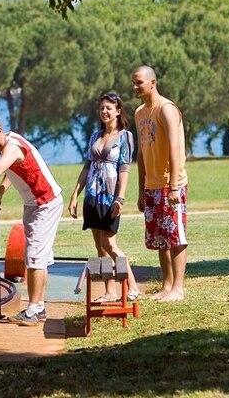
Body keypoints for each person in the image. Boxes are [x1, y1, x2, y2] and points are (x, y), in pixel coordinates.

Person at [0, 115, 64, 326]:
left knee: (35, 258)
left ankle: (32, 311)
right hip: (34, 204)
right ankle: (38, 308)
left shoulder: (12, 147)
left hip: (45, 203)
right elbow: (11, 170)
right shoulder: (9, 143)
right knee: (38, 257)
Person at [68, 92, 141, 302]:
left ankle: (133, 286)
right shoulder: (94, 137)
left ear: (118, 111)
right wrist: (75, 195)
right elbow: (87, 166)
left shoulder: (125, 136)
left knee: (109, 243)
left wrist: (120, 198)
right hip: (92, 196)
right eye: (101, 108)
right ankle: (110, 291)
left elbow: (124, 168)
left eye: (109, 108)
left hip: (110, 197)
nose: (104, 112)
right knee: (100, 247)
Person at [132, 65, 188, 302]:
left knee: (175, 235)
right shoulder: (139, 113)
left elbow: (175, 147)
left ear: (152, 82)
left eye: (139, 82)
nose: (135, 87)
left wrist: (174, 186)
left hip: (170, 184)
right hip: (152, 186)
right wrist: (141, 189)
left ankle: (178, 288)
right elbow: (141, 154)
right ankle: (166, 285)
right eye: (133, 83)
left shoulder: (166, 109)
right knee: (160, 238)